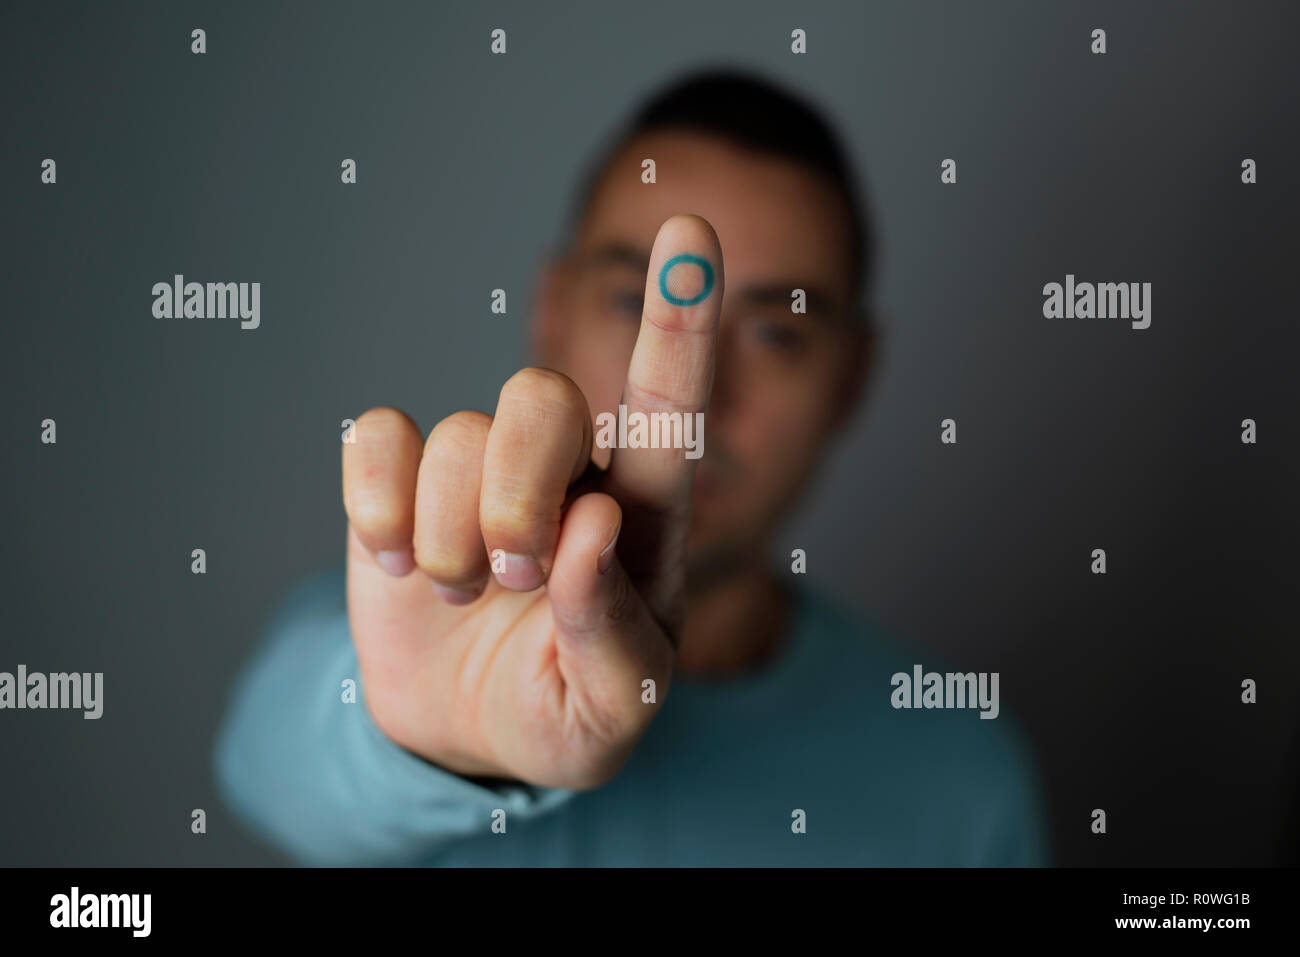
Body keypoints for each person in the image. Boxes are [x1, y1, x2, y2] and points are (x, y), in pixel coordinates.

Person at [214, 68, 1049, 866]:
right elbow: (266, 765)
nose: (702, 395)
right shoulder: (407, 613)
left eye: (779, 331)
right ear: (549, 310)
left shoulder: (957, 766)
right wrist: (443, 738)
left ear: (852, 379)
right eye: (628, 299)